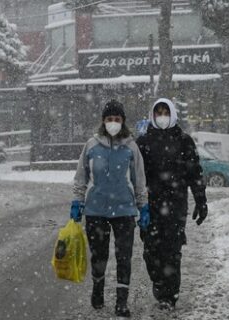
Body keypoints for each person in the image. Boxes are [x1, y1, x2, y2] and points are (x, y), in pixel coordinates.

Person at [71, 100, 148, 318]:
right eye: (109, 119)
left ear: (122, 121)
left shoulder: (131, 147)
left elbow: (139, 180)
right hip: (96, 210)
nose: (112, 123)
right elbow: (81, 176)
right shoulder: (91, 145)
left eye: (117, 119)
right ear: (103, 121)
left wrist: (144, 207)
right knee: (99, 255)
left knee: (124, 257)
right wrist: (78, 201)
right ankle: (97, 289)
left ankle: (121, 302)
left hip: (124, 210)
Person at [135, 98, 208, 310]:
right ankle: (159, 284)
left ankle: (170, 296)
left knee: (172, 252)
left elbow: (195, 172)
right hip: (150, 206)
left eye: (165, 112)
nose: (162, 116)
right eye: (158, 112)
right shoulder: (143, 142)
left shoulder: (183, 140)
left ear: (173, 114)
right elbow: (135, 176)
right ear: (152, 115)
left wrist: (201, 200)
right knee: (151, 251)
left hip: (176, 206)